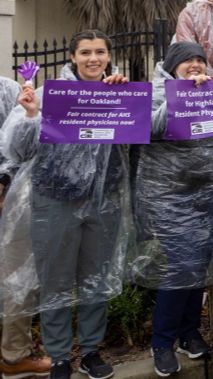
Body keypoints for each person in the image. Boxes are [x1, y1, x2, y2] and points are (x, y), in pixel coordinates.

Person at [0, 31, 131, 379]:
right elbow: (17, 150)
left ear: (108, 55)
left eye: (100, 52)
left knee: (95, 279)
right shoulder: (48, 95)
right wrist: (31, 115)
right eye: (85, 52)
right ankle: (59, 357)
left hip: (104, 201)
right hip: (54, 200)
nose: (93, 59)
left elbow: (139, 136)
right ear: (72, 57)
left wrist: (125, 98)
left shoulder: (118, 92)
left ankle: (90, 351)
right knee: (55, 281)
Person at [132, 43, 213, 376]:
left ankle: (189, 333)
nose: (195, 65)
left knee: (197, 268)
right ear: (173, 65)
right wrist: (183, 96)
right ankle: (162, 342)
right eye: (188, 60)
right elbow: (148, 127)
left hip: (207, 196)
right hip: (170, 200)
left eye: (201, 60)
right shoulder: (155, 93)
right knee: (179, 268)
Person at [0, 78, 51, 379]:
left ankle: (14, 356)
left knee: (15, 278)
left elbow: (13, 145)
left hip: (11, 199)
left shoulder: (7, 90)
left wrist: (4, 182)